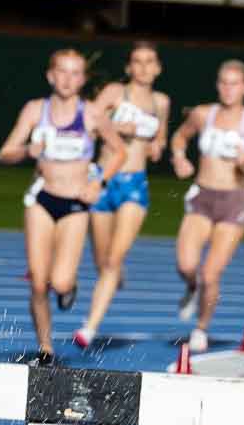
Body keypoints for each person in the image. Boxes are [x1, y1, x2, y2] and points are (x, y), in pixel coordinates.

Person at [0, 50, 126, 365]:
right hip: (41, 200)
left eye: (75, 73)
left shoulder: (92, 114)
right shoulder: (35, 110)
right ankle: (45, 348)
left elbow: (119, 152)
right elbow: (5, 153)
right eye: (62, 72)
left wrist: (98, 182)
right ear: (50, 75)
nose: (68, 79)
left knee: (61, 282)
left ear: (82, 79)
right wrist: (28, 149)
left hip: (76, 205)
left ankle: (70, 285)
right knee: (39, 282)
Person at [168, 60, 244, 352]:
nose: (229, 89)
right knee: (187, 265)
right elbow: (179, 136)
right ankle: (191, 287)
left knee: (210, 273)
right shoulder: (204, 114)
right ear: (218, 86)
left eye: (235, 83)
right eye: (224, 82)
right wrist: (179, 157)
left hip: (233, 202)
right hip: (202, 196)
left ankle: (200, 329)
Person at [73, 42, 171, 350]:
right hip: (103, 179)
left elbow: (160, 140)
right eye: (137, 62)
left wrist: (157, 147)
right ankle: (114, 272)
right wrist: (115, 126)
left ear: (158, 68)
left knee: (113, 260)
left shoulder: (161, 102)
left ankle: (88, 328)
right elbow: (87, 123)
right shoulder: (116, 92)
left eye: (149, 61)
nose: (143, 68)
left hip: (134, 184)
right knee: (103, 260)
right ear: (129, 67)